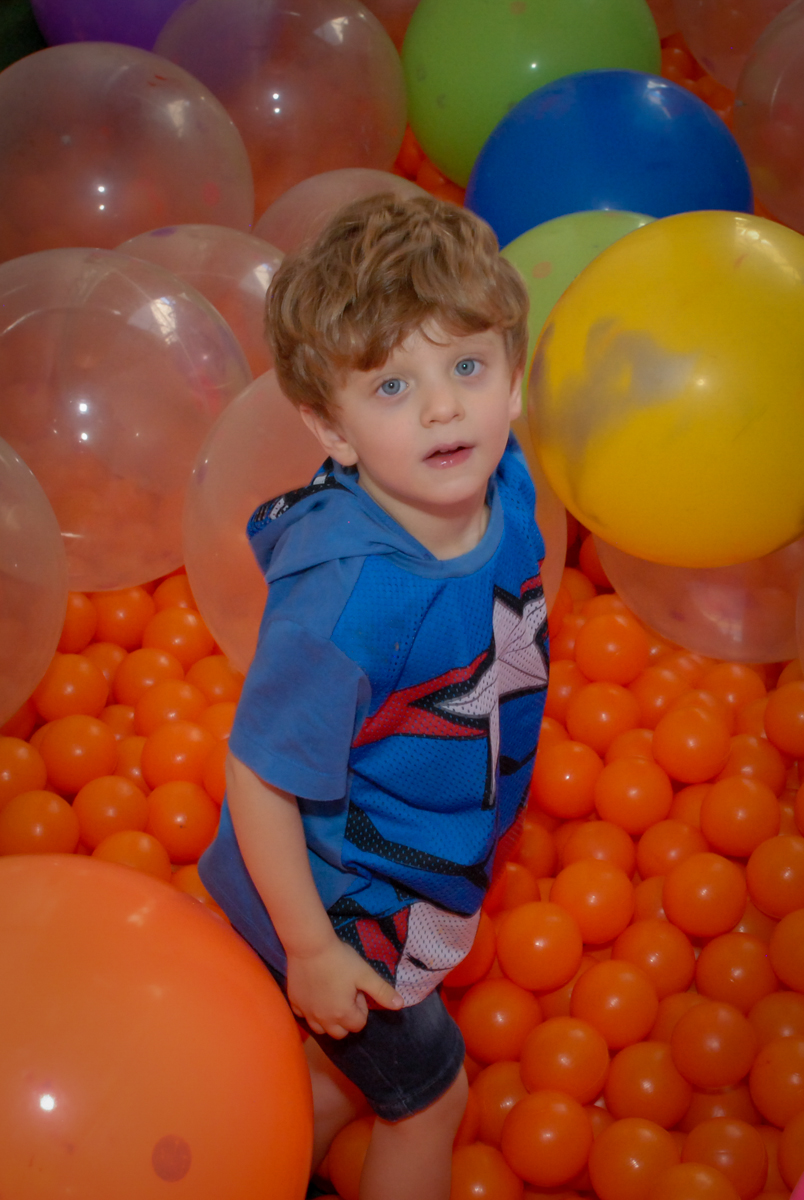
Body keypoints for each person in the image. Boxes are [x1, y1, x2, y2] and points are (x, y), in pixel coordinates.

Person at [199, 193, 549, 1200]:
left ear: (514, 377)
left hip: (420, 865)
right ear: (330, 429)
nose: (444, 409)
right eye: (392, 386)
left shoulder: (509, 483)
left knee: (336, 1082)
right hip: (338, 906)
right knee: (430, 1100)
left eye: (467, 367)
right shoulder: (348, 604)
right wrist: (310, 949)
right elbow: (261, 777)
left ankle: (263, 1158)